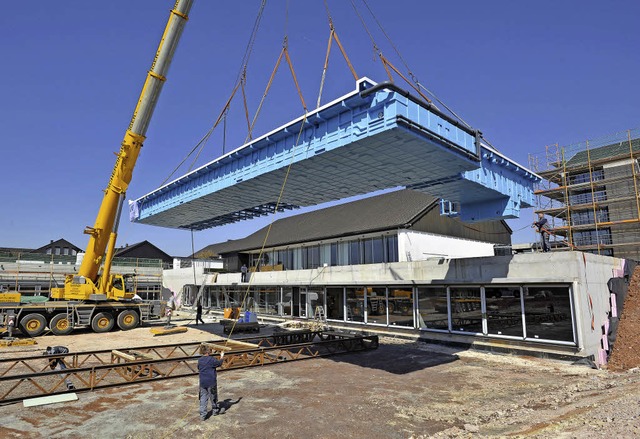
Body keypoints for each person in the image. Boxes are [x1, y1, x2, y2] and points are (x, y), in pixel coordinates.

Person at [198, 345, 225, 420]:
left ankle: (202, 415)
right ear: (208, 351)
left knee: (203, 398)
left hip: (202, 382)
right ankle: (215, 411)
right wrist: (222, 356)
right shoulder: (211, 359)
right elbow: (219, 363)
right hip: (211, 382)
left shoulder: (200, 360)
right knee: (213, 397)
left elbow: (198, 368)